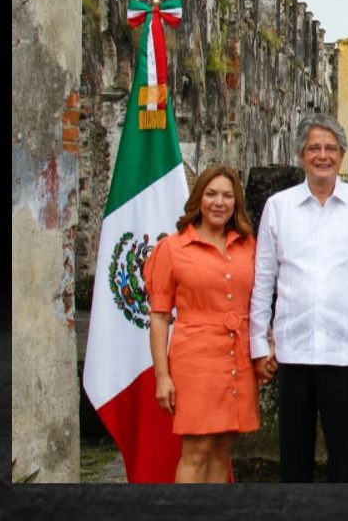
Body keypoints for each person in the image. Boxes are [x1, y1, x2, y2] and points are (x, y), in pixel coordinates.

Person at [249, 113, 348, 483]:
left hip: (346, 353)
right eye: (314, 147)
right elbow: (263, 280)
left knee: (345, 456)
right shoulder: (279, 207)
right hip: (292, 351)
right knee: (293, 455)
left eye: (330, 148)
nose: (323, 155)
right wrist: (258, 344)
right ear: (301, 154)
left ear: (342, 154)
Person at [145, 164, 259, 483]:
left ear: (236, 202)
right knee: (196, 450)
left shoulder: (249, 245)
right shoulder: (172, 248)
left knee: (223, 448)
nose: (219, 202)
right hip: (194, 359)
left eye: (227, 195)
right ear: (199, 199)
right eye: (211, 194)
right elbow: (159, 316)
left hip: (238, 354)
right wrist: (162, 375)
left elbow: (261, 302)